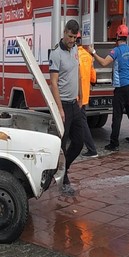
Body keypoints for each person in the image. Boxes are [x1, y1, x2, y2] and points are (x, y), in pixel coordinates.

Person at [49, 20, 87, 195]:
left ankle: (63, 169)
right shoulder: (56, 54)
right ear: (64, 32)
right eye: (70, 36)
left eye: (75, 37)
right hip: (63, 104)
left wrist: (80, 96)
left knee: (79, 142)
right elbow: (54, 84)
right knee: (62, 146)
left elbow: (78, 73)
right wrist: (60, 109)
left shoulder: (75, 51)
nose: (72, 40)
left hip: (75, 103)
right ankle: (64, 179)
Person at [90, 24, 129, 151]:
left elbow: (103, 62)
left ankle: (114, 143)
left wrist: (93, 52)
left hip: (121, 87)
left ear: (117, 36)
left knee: (117, 116)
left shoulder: (116, 51)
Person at [77, 40, 98, 158]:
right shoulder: (88, 56)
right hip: (84, 95)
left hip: (75, 96)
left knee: (80, 123)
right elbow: (93, 78)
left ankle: (92, 149)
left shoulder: (74, 56)